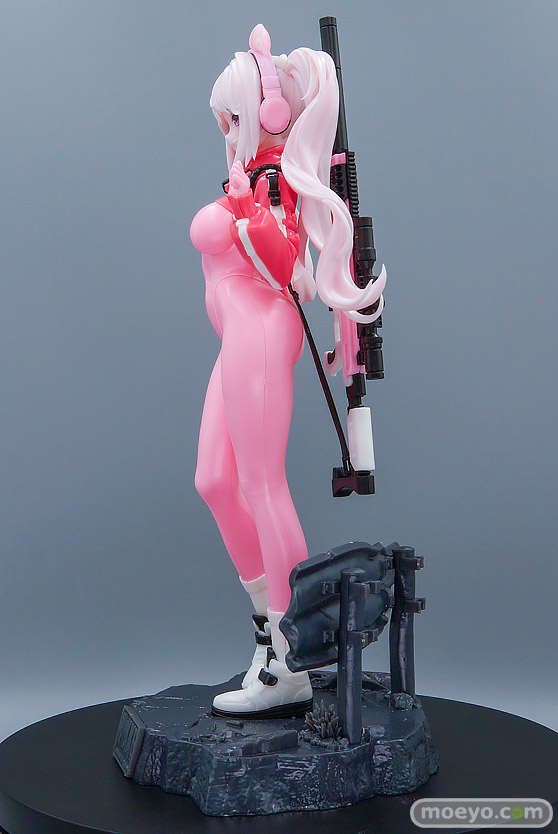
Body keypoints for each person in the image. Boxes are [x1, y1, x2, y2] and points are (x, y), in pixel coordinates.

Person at [189, 24, 385, 718]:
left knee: (262, 485)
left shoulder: (271, 180)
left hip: (261, 337)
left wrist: (244, 212)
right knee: (215, 481)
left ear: (264, 114)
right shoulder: (255, 173)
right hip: (237, 340)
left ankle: (289, 659)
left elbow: (281, 260)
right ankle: (269, 639)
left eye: (230, 116)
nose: (223, 128)